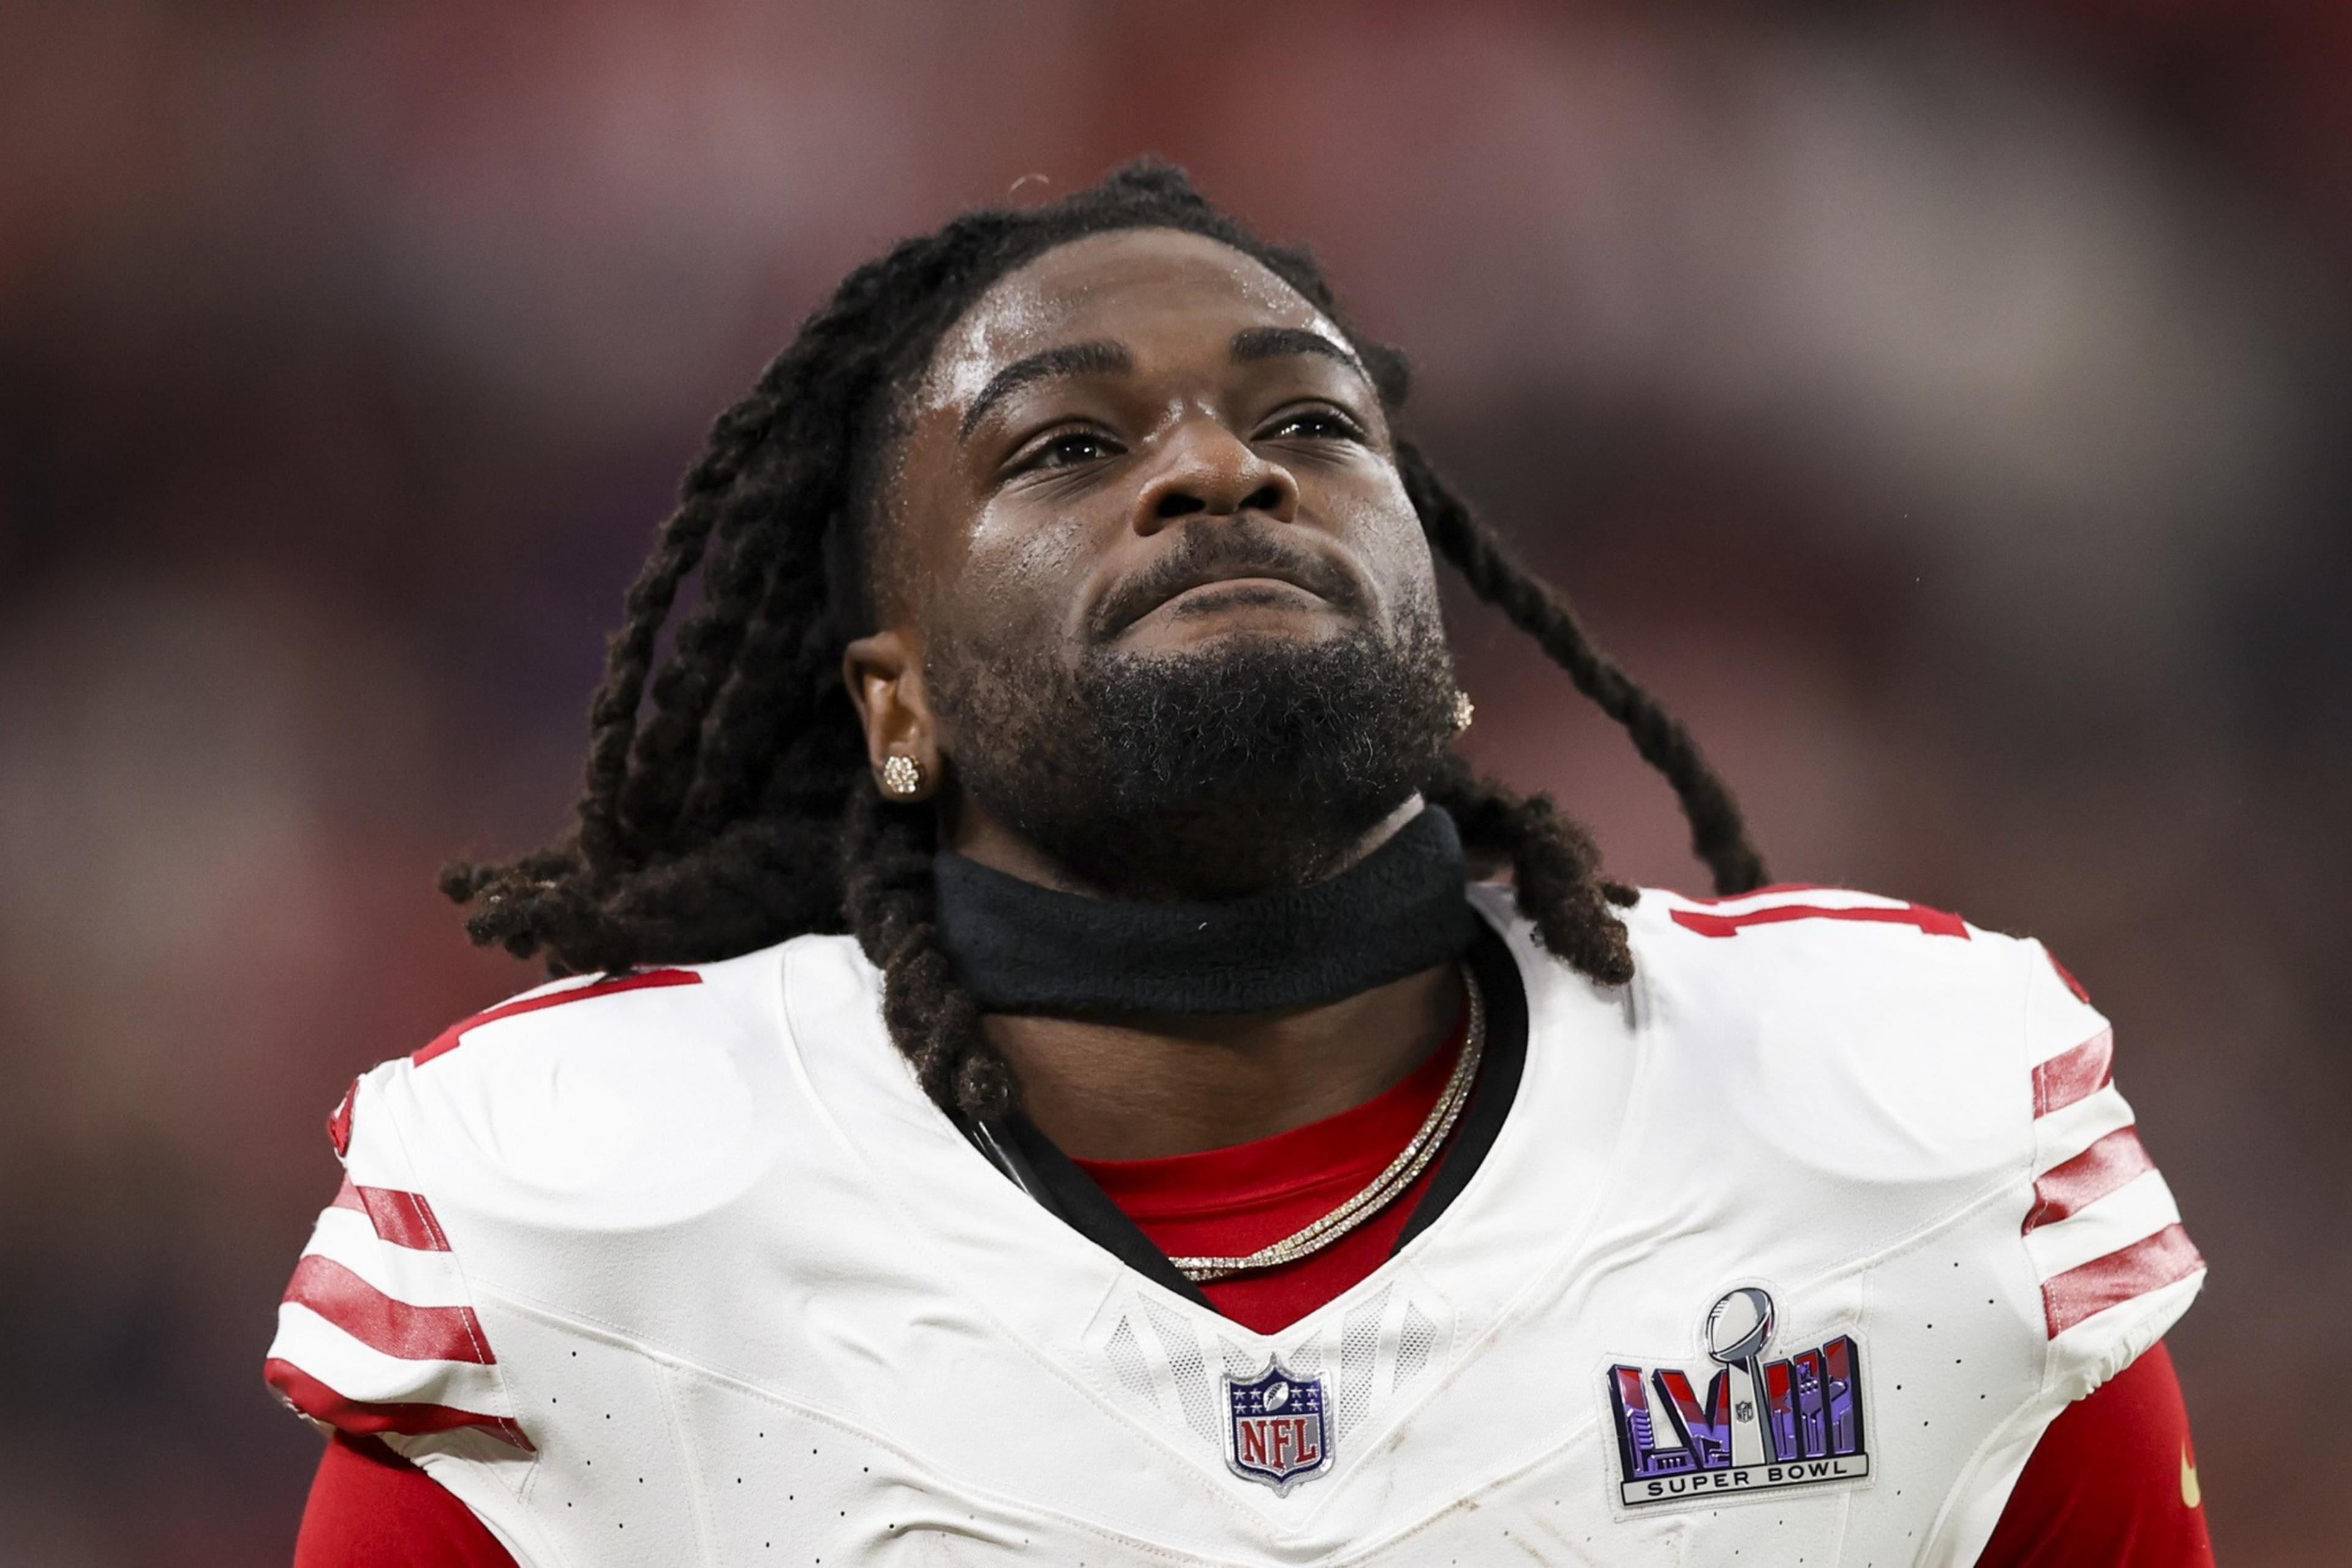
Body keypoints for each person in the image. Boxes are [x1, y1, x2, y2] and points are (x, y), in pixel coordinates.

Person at [265, 162, 2210, 1565]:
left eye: (1309, 421)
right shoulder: (599, 1234)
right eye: (1063, 447)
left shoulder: (1895, 1140)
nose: (1221, 467)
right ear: (895, 701)